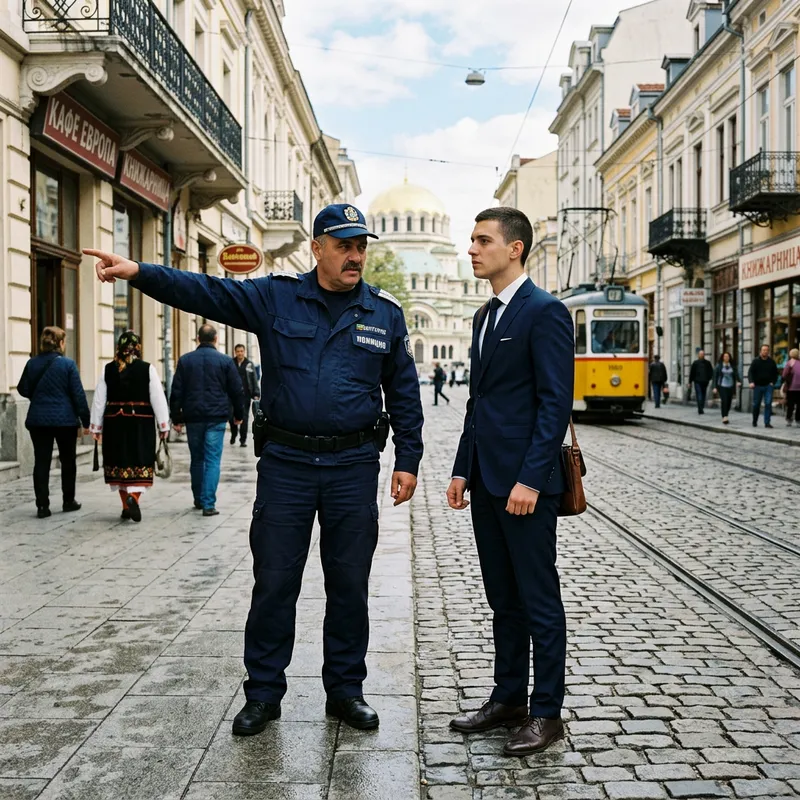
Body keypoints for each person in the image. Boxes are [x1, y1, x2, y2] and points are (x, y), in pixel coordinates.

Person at [83, 202, 423, 736]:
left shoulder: (384, 313)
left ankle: (346, 690)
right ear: (317, 248)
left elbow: (403, 390)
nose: (355, 256)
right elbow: (206, 291)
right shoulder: (274, 297)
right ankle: (264, 693)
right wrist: (139, 272)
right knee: (274, 581)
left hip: (353, 466)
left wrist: (409, 459)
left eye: (361, 246)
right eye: (344, 246)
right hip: (287, 464)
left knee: (350, 583)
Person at [446, 207, 573, 757]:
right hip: (486, 480)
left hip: (524, 486)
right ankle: (508, 698)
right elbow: (481, 402)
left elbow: (554, 404)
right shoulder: (484, 316)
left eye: (482, 240)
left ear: (515, 248)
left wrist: (531, 479)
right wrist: (460, 467)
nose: (472, 249)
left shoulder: (544, 312)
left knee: (538, 597)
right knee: (503, 598)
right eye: (471, 240)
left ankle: (546, 712)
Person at [89, 331, 170, 521]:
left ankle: (126, 506)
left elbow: (99, 400)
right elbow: (157, 397)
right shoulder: (147, 369)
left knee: (119, 463)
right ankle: (134, 498)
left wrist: (95, 427)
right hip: (140, 423)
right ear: (138, 348)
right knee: (139, 461)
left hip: (114, 423)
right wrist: (163, 425)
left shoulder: (107, 369)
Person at [170, 325, 245, 516]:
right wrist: (239, 415)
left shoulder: (186, 361)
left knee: (197, 459)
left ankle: (198, 498)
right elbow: (237, 391)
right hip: (216, 417)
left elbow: (176, 392)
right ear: (216, 339)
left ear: (197, 339)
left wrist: (176, 417)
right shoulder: (225, 362)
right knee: (212, 460)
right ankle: (208, 503)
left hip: (193, 417)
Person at [17, 326, 90, 519]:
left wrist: (39, 396)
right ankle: (68, 501)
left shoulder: (32, 364)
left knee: (41, 461)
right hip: (65, 421)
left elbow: (22, 388)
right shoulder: (68, 365)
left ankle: (42, 506)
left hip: (38, 420)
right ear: (60, 343)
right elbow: (78, 395)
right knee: (68, 461)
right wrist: (86, 420)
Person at [229, 343, 260, 447]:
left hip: (245, 395)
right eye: (238, 351)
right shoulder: (231, 363)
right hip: (232, 395)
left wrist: (256, 393)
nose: (240, 353)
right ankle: (233, 434)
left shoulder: (249, 364)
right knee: (231, 416)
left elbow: (254, 379)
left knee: (244, 418)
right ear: (235, 352)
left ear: (244, 352)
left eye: (241, 351)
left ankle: (243, 440)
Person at [748, 344, 779, 428]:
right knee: (756, 404)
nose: (765, 351)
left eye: (767, 350)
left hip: (768, 386)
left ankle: (767, 422)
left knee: (768, 403)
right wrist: (751, 382)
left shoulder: (771, 361)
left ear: (768, 351)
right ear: (760, 351)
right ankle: (755, 420)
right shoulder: (756, 361)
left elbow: (776, 373)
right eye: (764, 350)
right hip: (757, 386)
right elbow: (750, 372)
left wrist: (773, 382)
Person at [712, 352, 740, 425]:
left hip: (730, 386)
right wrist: (714, 387)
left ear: (729, 358)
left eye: (727, 356)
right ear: (722, 357)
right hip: (722, 385)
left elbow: (736, 374)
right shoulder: (719, 366)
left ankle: (726, 414)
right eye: (725, 356)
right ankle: (724, 416)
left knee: (729, 402)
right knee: (724, 401)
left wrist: (738, 381)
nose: (726, 358)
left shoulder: (732, 366)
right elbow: (715, 377)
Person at [689, 350, 713, 414]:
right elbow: (692, 373)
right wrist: (690, 382)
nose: (701, 355)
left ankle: (701, 407)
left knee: (702, 394)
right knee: (700, 394)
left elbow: (711, 372)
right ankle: (700, 408)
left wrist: (709, 378)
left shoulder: (707, 363)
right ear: (698, 355)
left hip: (704, 381)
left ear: (703, 355)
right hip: (697, 381)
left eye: (702, 354)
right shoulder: (695, 363)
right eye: (700, 354)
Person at [781, 348, 800, 426]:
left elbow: (784, 374)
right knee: (799, 405)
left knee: (790, 405)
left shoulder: (790, 363)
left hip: (791, 387)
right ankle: (798, 420)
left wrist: (783, 381)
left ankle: (789, 419)